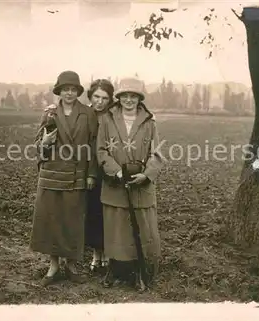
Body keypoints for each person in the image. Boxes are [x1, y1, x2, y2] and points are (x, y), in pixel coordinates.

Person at [30, 70, 98, 286]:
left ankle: (71, 265)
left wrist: (91, 174)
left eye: (73, 89)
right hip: (51, 174)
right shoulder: (49, 113)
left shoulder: (88, 113)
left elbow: (94, 146)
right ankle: (53, 266)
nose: (69, 93)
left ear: (78, 91)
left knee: (73, 221)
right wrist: (46, 142)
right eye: (65, 89)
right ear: (59, 91)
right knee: (52, 220)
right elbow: (37, 146)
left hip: (77, 174)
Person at [96, 76, 165, 289]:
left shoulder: (149, 122)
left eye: (133, 96)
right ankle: (114, 270)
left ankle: (139, 273)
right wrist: (116, 172)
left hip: (140, 187)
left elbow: (157, 153)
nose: (128, 100)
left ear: (139, 98)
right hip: (115, 186)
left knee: (141, 230)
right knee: (115, 230)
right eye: (124, 96)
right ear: (118, 98)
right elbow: (101, 151)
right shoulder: (107, 120)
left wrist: (146, 175)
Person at [84, 79, 115, 274]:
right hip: (88, 171)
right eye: (96, 96)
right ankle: (96, 254)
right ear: (90, 96)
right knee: (93, 212)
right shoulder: (84, 115)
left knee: (110, 213)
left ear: (110, 100)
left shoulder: (113, 117)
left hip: (109, 170)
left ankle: (109, 254)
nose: (100, 102)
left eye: (105, 98)